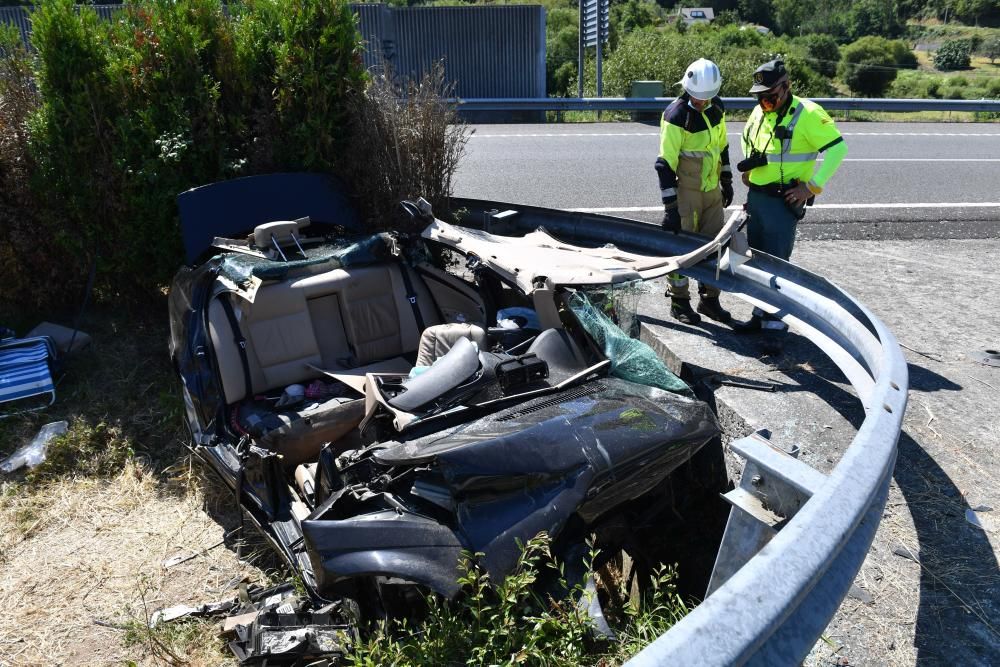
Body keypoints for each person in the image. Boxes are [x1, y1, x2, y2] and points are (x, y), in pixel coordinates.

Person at [735, 59, 848, 332]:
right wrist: (750, 172)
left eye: (770, 96)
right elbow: (750, 141)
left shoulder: (807, 113)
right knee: (757, 263)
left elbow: (837, 150)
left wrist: (811, 187)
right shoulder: (760, 111)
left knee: (777, 266)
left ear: (786, 87)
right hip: (758, 198)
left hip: (782, 202)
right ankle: (760, 315)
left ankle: (775, 327)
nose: (765, 103)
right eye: (760, 97)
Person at [655, 58, 734, 325]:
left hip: (712, 190)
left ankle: (709, 300)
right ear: (687, 89)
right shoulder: (676, 115)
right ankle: (679, 301)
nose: (702, 102)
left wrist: (727, 179)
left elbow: (721, 145)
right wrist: (670, 209)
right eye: (698, 98)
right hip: (687, 192)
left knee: (715, 247)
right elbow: (664, 164)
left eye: (707, 98)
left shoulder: (717, 107)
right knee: (682, 249)